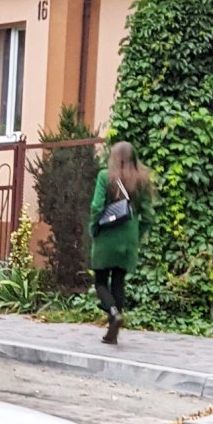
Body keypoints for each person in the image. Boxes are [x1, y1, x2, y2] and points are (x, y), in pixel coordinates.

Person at [89, 141, 154, 345]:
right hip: (128, 239)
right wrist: (136, 233)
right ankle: (112, 332)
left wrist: (95, 227)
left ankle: (113, 312)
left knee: (100, 281)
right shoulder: (142, 181)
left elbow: (96, 205)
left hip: (107, 236)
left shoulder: (104, 177)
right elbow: (148, 216)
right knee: (118, 281)